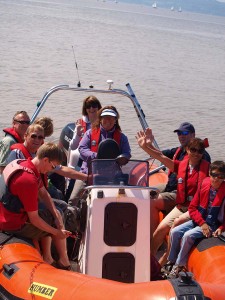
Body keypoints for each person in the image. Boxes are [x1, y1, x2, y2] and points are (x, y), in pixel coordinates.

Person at [136, 128, 210, 265]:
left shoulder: (208, 169)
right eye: (193, 150)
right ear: (187, 150)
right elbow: (160, 157)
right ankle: (149, 261)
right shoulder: (180, 166)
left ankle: (164, 261)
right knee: (159, 231)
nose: (196, 154)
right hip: (181, 206)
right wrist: (145, 146)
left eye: (200, 151)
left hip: (194, 209)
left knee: (175, 227)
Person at [0, 142, 71, 269]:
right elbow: (34, 219)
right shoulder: (28, 180)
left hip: (9, 211)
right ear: (45, 160)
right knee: (53, 222)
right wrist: (57, 231)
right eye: (53, 166)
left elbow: (43, 193)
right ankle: (63, 262)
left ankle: (50, 257)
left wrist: (56, 216)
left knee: (58, 211)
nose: (51, 170)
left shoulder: (25, 164)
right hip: (14, 223)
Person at [167, 161, 225, 279]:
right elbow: (192, 208)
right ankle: (171, 261)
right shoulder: (204, 185)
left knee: (188, 235)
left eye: (221, 177)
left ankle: (179, 266)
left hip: (214, 224)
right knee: (174, 231)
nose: (217, 179)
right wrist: (202, 223)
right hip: (200, 221)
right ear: (209, 174)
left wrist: (221, 228)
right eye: (214, 175)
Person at [151, 122, 211, 236]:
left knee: (153, 201)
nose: (181, 136)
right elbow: (161, 155)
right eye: (179, 133)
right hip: (171, 187)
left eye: (184, 133)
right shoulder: (179, 150)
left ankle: (155, 237)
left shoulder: (203, 157)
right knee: (147, 191)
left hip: (180, 195)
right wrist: (148, 144)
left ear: (193, 135)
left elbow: (204, 185)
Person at [69, 105, 131, 206]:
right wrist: (98, 156)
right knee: (73, 200)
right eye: (105, 117)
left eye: (111, 118)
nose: (108, 120)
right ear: (100, 119)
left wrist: (122, 158)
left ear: (115, 120)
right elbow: (82, 148)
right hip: (88, 173)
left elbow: (127, 153)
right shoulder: (90, 133)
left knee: (120, 202)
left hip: (112, 175)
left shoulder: (122, 137)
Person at [68, 95, 102, 169]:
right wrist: (78, 134)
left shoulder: (104, 123)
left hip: (99, 160)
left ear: (98, 107)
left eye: (94, 105)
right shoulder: (80, 123)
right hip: (83, 160)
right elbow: (73, 147)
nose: (91, 108)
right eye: (88, 106)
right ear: (85, 109)